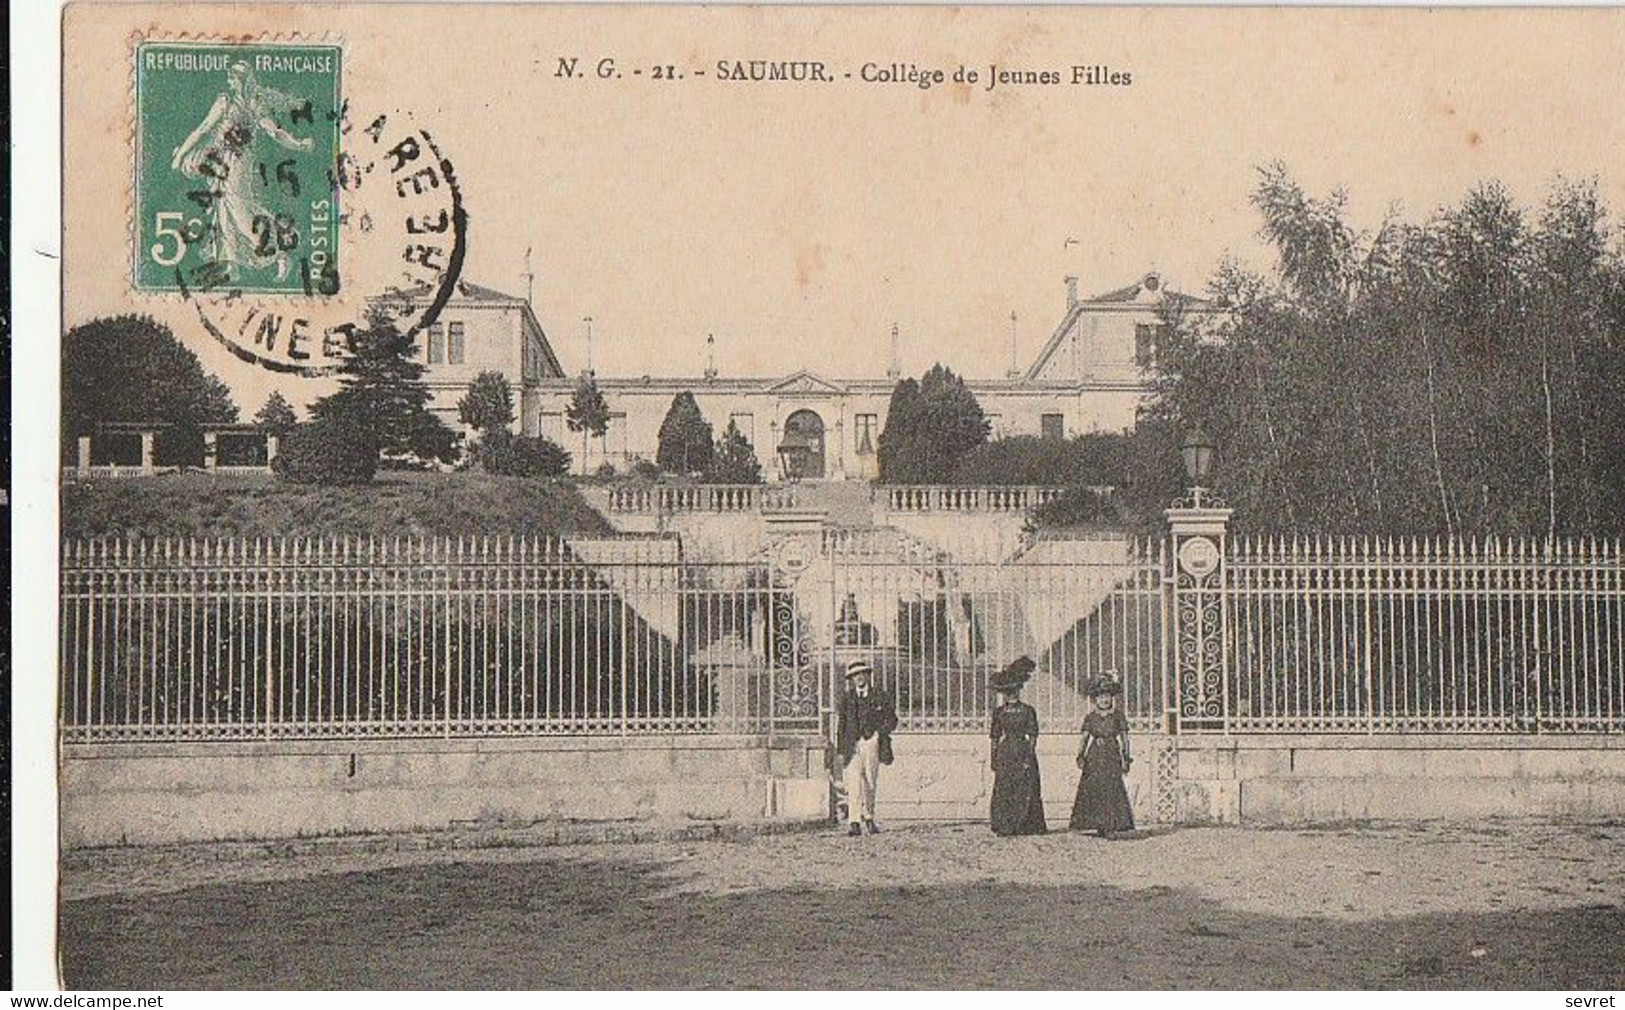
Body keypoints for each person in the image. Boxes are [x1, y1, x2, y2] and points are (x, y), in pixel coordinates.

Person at [835, 659, 898, 837]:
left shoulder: (880, 696)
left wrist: (879, 733)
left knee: (870, 780)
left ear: (868, 676)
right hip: (851, 745)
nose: (859, 678)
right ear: (851, 679)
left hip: (872, 742)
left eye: (862, 674)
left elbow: (892, 720)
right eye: (855, 676)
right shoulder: (847, 699)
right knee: (853, 783)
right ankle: (854, 822)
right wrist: (841, 750)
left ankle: (869, 817)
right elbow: (841, 726)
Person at [1069, 674, 1135, 836]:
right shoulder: (1090, 718)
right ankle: (1098, 824)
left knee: (1111, 788)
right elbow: (1084, 738)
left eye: (1107, 696)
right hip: (1094, 757)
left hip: (1112, 754)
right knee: (1095, 788)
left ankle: (1111, 825)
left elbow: (1124, 738)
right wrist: (1080, 755)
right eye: (1101, 697)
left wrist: (1126, 758)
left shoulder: (1118, 716)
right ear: (1095, 699)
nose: (1104, 700)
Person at [988, 656, 1047, 836]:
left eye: (1013, 690)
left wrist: (1029, 755)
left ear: (1018, 690)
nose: (1011, 694)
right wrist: (994, 756)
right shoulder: (999, 712)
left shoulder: (1028, 710)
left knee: (1026, 786)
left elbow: (1033, 735)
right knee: (1005, 787)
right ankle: (1005, 825)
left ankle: (1026, 825)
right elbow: (995, 736)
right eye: (1007, 691)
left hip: (1022, 749)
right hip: (1006, 752)